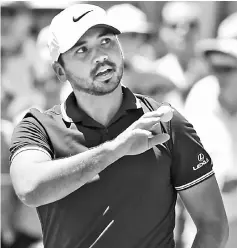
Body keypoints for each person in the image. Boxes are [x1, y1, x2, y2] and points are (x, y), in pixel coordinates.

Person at [9, 4, 228, 248]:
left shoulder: (165, 121)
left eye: (106, 41)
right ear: (60, 71)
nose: (101, 56)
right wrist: (116, 149)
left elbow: (213, 224)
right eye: (82, 49)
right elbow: (29, 188)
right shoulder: (38, 127)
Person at [185, 12, 237, 248]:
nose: (219, 74)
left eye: (228, 68)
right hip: (203, 228)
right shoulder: (200, 94)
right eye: (215, 66)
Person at [155, 1, 208, 113]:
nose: (184, 31)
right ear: (162, 31)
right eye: (174, 26)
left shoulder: (211, 72)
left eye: (191, 25)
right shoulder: (153, 73)